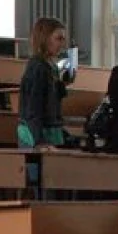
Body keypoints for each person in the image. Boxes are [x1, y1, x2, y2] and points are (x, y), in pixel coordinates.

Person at [17, 17, 71, 148]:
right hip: (36, 135)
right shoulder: (38, 68)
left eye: (64, 39)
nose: (63, 44)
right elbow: (33, 108)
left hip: (51, 131)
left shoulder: (52, 66)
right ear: (45, 39)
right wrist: (39, 141)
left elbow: (58, 96)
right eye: (59, 39)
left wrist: (64, 79)